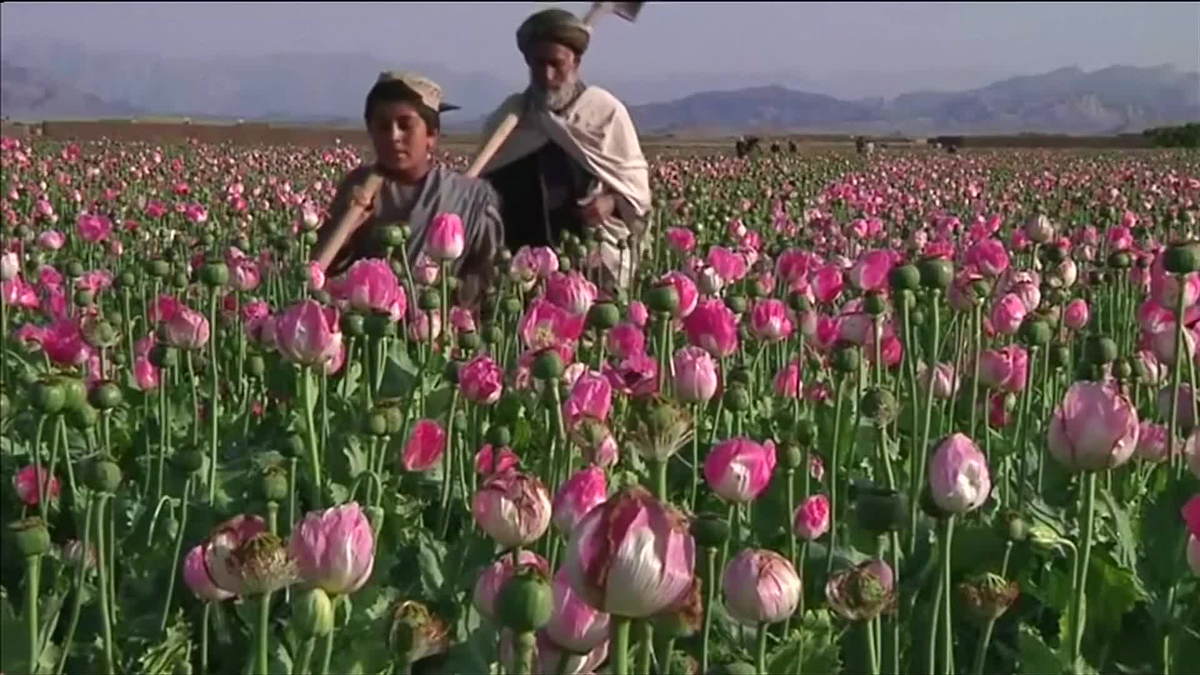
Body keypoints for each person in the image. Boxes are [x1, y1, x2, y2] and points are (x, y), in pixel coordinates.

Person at [477, 8, 651, 293]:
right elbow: (483, 188)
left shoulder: (605, 115)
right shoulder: (508, 120)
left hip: (589, 264)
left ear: (577, 62)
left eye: (556, 64)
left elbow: (637, 191)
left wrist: (610, 201)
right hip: (522, 264)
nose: (546, 75)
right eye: (537, 64)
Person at [311, 71, 504, 305]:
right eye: (382, 126)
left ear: (431, 135)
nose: (394, 136)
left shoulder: (470, 198)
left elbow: (487, 283)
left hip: (438, 332)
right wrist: (346, 228)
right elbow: (321, 274)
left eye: (405, 125)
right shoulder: (358, 189)